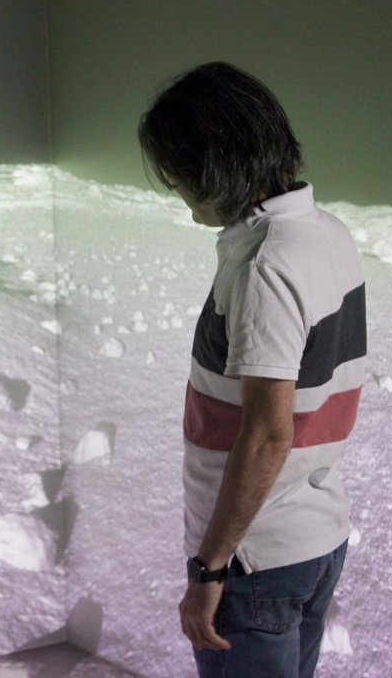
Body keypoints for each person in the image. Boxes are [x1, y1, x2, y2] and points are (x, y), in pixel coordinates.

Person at [138, 62, 366, 678]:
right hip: (314, 539)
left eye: (179, 180)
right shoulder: (327, 234)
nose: (182, 199)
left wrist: (209, 568)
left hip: (255, 558)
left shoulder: (268, 264)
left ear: (210, 169)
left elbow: (267, 434)